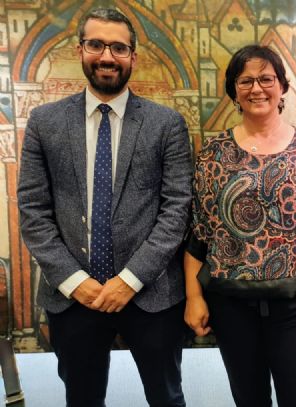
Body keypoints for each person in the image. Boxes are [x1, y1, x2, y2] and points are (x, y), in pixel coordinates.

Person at [17, 8, 192, 407]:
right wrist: (73, 280)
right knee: (82, 398)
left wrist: (128, 280)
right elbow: (32, 209)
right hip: (74, 296)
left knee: (167, 397)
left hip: (150, 295)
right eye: (96, 44)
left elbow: (176, 211)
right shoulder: (45, 123)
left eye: (118, 47)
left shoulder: (167, 124)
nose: (107, 56)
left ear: (133, 56)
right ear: (80, 49)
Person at [183, 44, 296, 407]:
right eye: (246, 81)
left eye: (266, 79)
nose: (256, 88)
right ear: (234, 92)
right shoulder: (213, 155)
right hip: (231, 305)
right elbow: (199, 233)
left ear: (282, 88)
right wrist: (194, 297)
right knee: (249, 399)